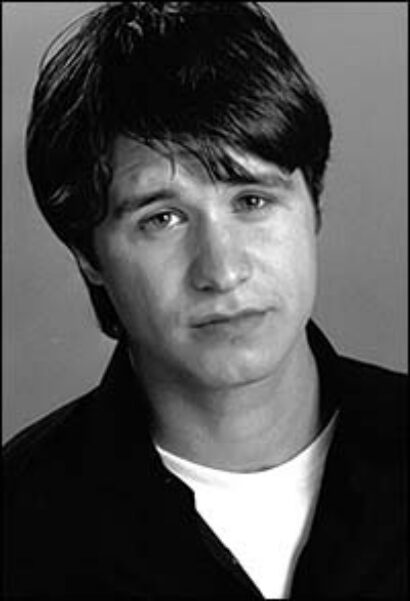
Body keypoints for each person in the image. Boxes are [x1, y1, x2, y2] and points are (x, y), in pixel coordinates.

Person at [3, 2, 407, 598]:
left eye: (252, 200)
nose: (222, 270)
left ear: (313, 205)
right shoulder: (18, 525)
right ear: (88, 254)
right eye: (162, 218)